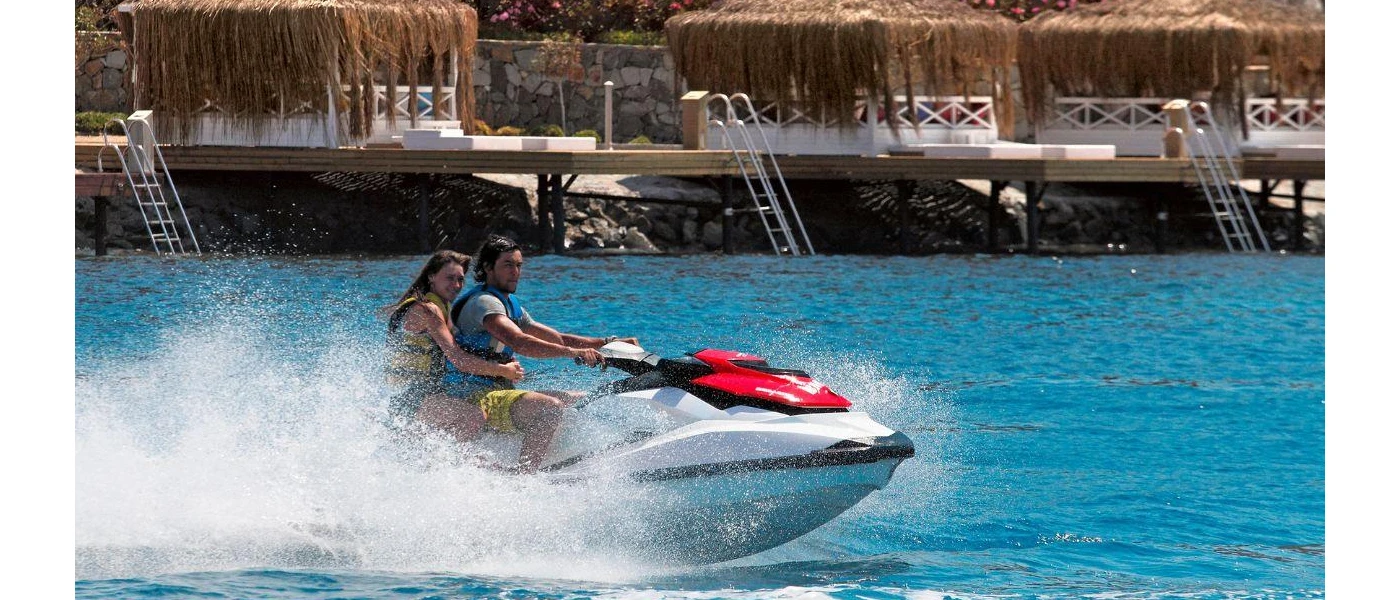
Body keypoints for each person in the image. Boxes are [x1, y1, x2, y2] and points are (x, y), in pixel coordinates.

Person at [443, 234, 639, 472]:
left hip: (498, 392)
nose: (515, 271)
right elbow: (521, 342)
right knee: (550, 407)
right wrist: (573, 354)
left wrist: (609, 342)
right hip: (473, 398)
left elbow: (559, 338)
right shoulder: (484, 303)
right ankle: (524, 477)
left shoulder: (509, 304)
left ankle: (593, 455)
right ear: (487, 268)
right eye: (507, 265)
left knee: (584, 398)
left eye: (518, 265)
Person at [382, 250, 526, 451]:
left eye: (460, 279)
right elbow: (459, 360)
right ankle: (454, 467)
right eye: (450, 278)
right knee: (473, 416)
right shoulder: (427, 310)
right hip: (413, 399)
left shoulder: (442, 307)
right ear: (431, 277)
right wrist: (503, 370)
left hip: (420, 396)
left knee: (479, 407)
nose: (456, 285)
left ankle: (447, 459)